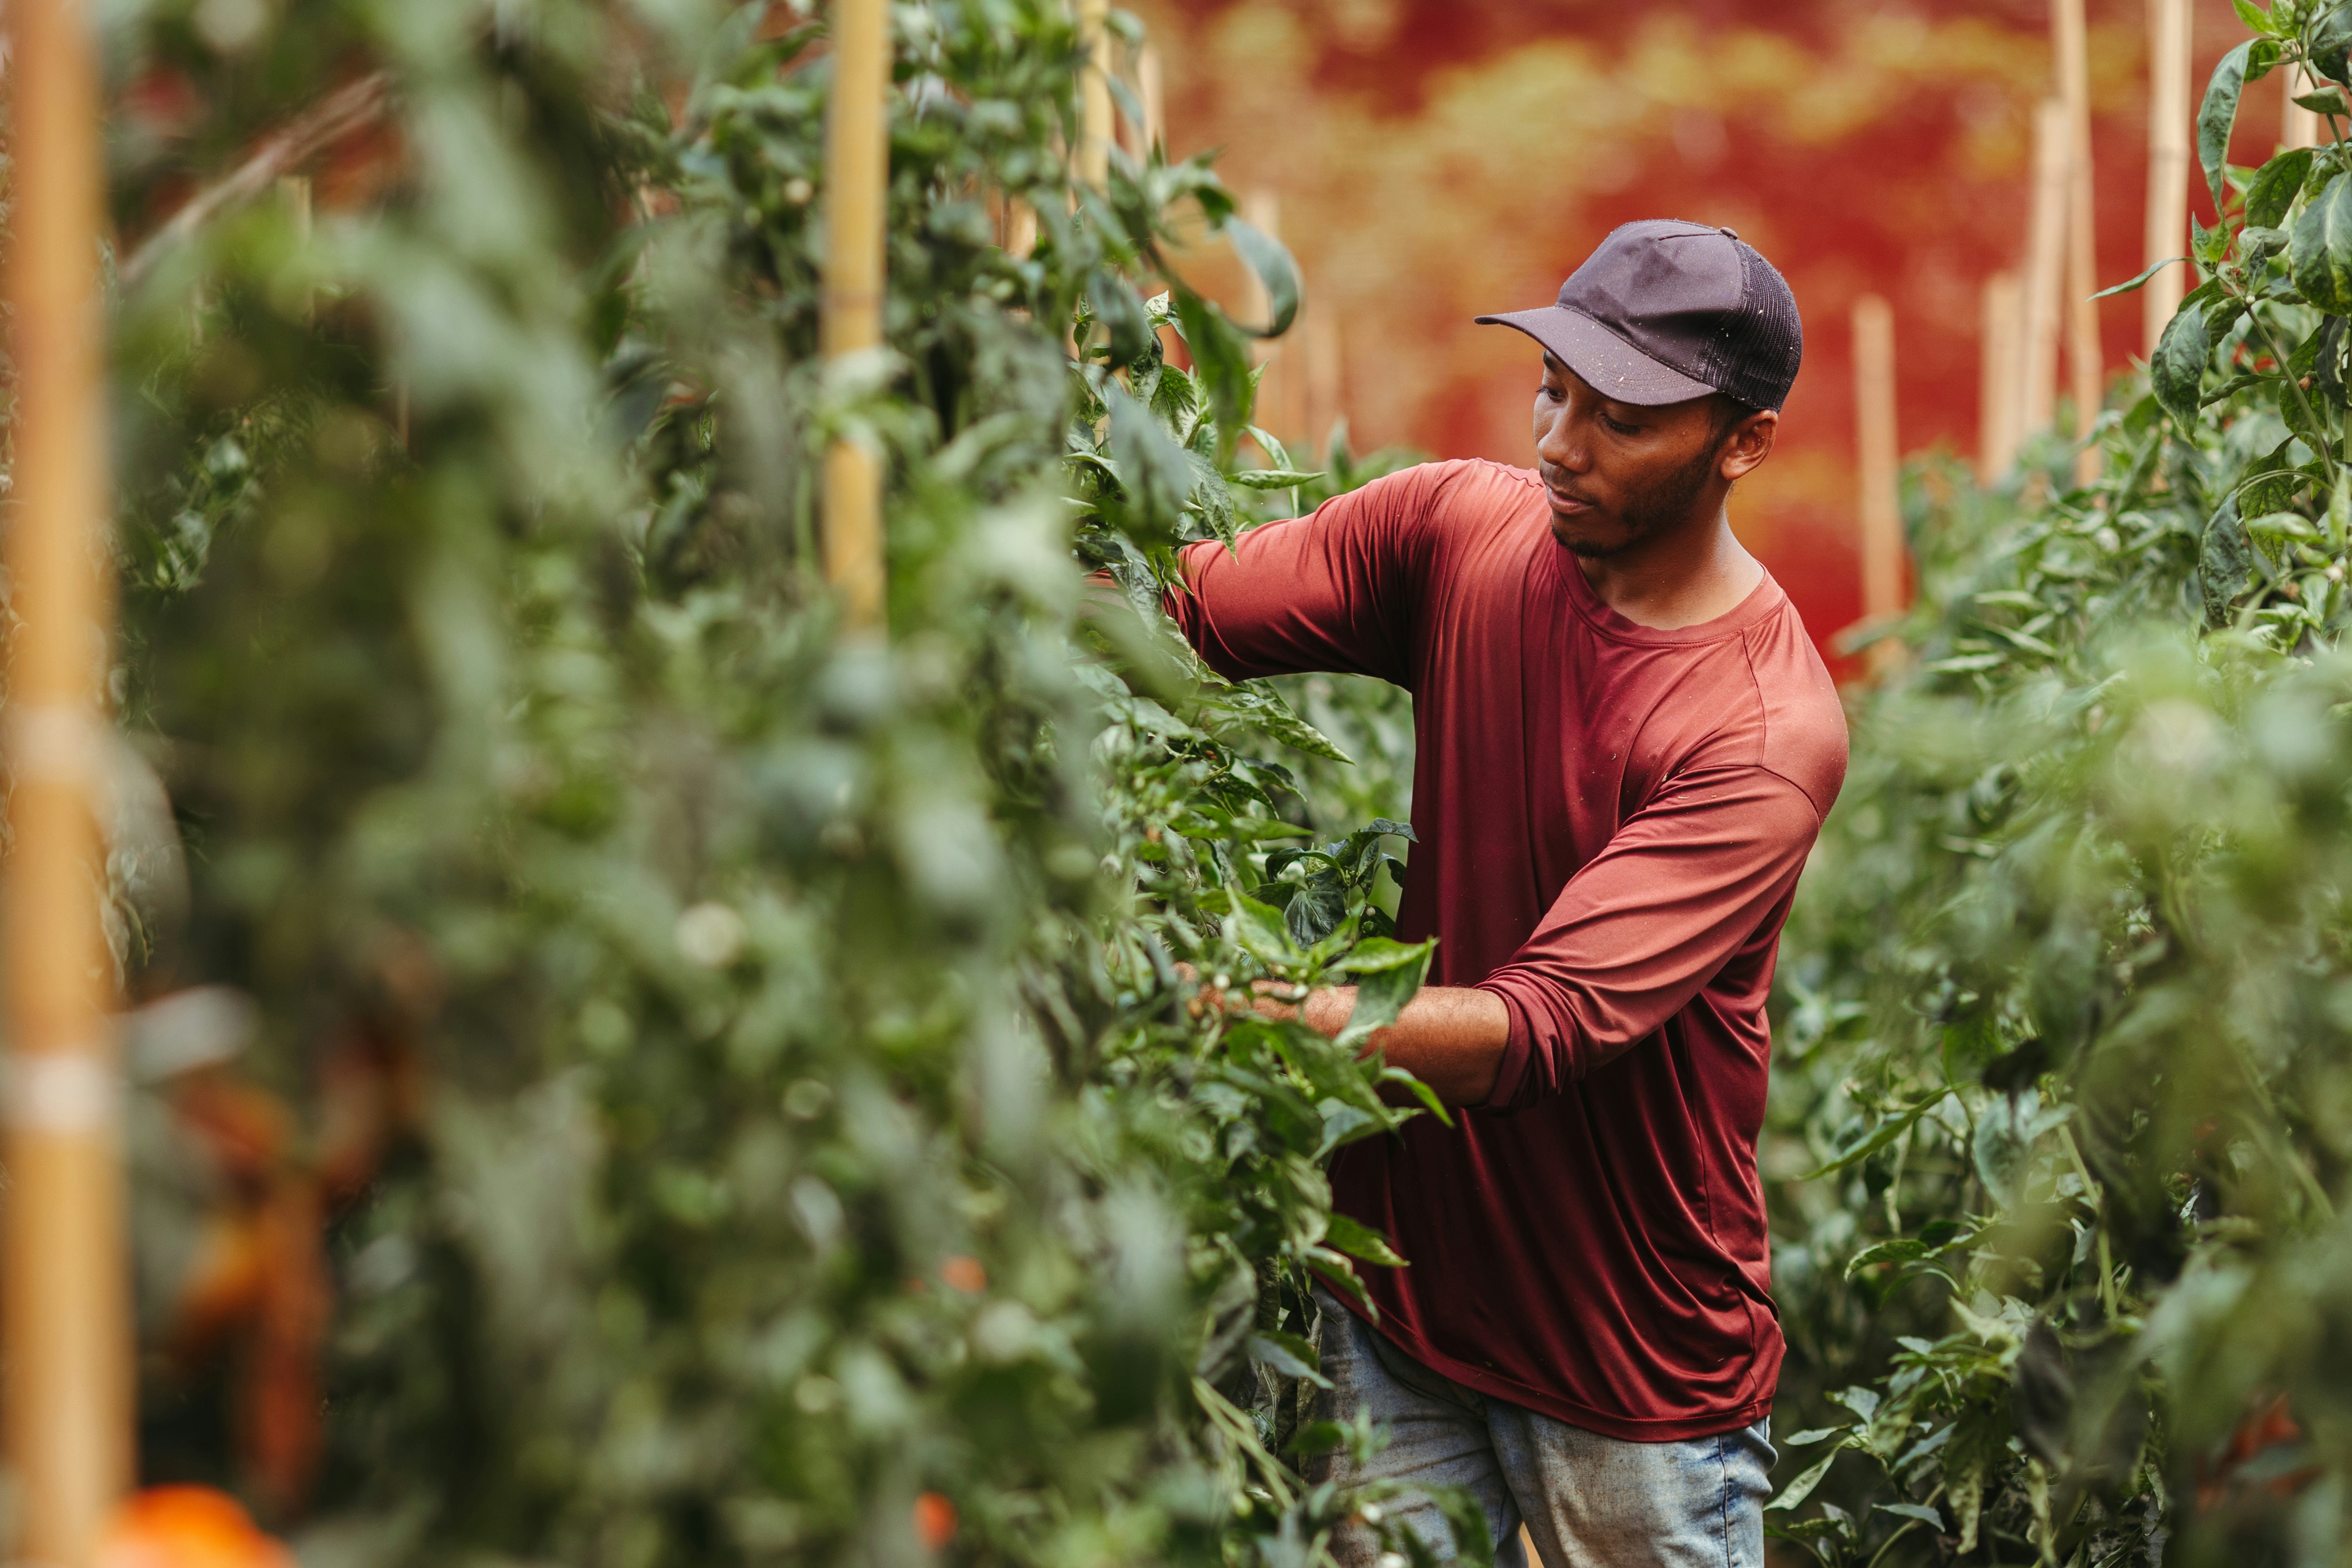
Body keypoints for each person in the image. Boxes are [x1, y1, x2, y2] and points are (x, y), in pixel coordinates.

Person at [1162, 220, 1848, 1568]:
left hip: (1630, 1372)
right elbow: (1181, 608)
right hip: (1403, 1305)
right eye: (1556, 389)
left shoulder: (1760, 732)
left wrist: (1248, 1011)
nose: (1561, 444)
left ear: (1743, 443)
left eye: (1625, 420)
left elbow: (1538, 1032)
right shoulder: (1462, 532)